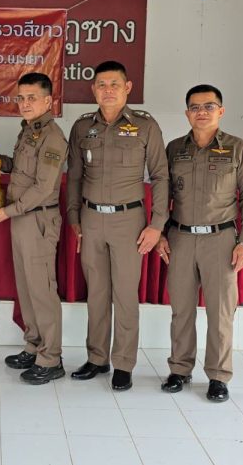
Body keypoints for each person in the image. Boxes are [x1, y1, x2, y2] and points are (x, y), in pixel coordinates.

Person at [66, 60, 170, 392]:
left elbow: (161, 176)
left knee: (125, 294)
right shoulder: (83, 127)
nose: (107, 90)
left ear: (127, 88)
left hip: (129, 221)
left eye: (114, 84)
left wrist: (157, 225)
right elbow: (75, 177)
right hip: (91, 219)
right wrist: (74, 219)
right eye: (101, 84)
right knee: (97, 293)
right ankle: (97, 358)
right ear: (93, 89)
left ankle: (123, 363)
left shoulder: (145, 126)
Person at [157, 84, 243, 403]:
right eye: (195, 107)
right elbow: (163, 195)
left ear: (221, 111)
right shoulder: (174, 149)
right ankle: (180, 369)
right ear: (187, 113)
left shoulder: (238, 148)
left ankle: (218, 376)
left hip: (221, 240)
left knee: (220, 312)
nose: (202, 112)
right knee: (181, 310)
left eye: (209, 106)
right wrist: (160, 233)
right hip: (181, 238)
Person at [0, 73, 68, 385]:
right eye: (21, 98)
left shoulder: (52, 136)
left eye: (32, 97)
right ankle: (34, 346)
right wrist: (1, 162)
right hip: (22, 218)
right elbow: (24, 171)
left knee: (42, 291)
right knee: (26, 287)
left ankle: (51, 358)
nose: (25, 103)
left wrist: (8, 211)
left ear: (48, 101)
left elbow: (43, 186)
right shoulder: (29, 130)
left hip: (37, 219)